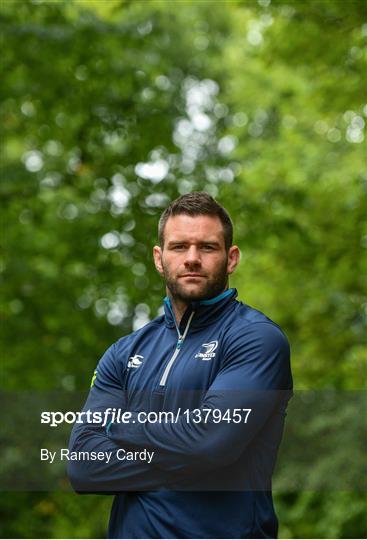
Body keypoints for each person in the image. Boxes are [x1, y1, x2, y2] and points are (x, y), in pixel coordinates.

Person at [68, 192, 293, 539]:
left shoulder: (256, 339)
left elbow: (210, 442)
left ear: (230, 258)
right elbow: (84, 467)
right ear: (159, 259)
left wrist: (116, 425)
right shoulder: (124, 352)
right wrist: (197, 461)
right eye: (178, 247)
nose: (191, 259)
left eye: (206, 247)